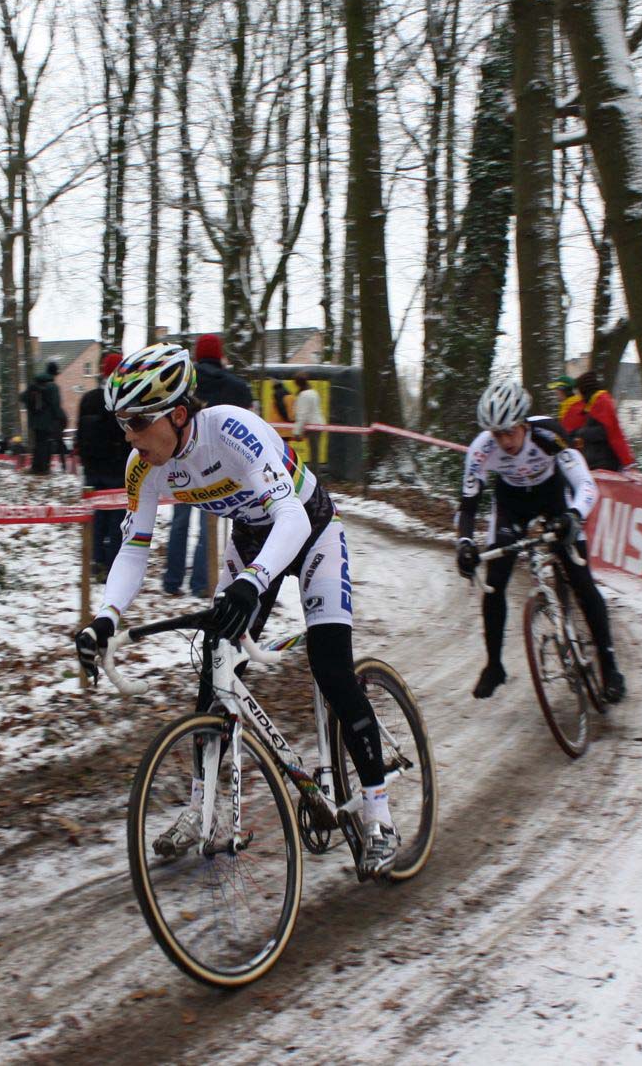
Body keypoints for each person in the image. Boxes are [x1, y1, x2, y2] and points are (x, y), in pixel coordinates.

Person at [75, 342, 400, 877]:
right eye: (121, 423)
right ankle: (205, 809)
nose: (127, 436)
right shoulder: (144, 466)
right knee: (216, 671)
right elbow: (134, 550)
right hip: (251, 540)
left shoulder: (230, 429)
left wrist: (252, 583)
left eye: (136, 421)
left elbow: (291, 519)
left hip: (311, 530)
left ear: (178, 414)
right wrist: (107, 616)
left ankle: (379, 816)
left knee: (332, 668)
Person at [455, 379, 626, 705]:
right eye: (496, 433)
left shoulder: (549, 435)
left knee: (581, 580)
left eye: (509, 432)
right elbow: (468, 503)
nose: (503, 441)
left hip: (554, 499)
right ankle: (494, 666)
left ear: (523, 424)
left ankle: (610, 666)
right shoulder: (482, 448)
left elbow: (586, 485)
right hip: (511, 503)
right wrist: (464, 542)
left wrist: (574, 515)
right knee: (495, 582)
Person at [163, 334, 253, 597]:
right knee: (208, 525)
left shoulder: (183, 385)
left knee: (179, 522)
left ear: (198, 355)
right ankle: (201, 583)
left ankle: (172, 580)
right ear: (220, 354)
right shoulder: (237, 387)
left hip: (182, 463)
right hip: (220, 469)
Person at [77, 352, 130, 581]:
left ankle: (95, 561)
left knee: (95, 517)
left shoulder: (88, 398)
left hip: (91, 471)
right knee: (117, 520)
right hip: (117, 470)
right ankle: (111, 565)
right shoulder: (125, 400)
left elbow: (79, 436)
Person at [573, 370, 636, 472]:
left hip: (604, 463)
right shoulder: (593, 404)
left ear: (585, 390)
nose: (578, 396)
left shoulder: (601, 402)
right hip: (598, 461)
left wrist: (581, 432)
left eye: (579, 392)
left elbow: (606, 431)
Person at [20, 360, 68, 475]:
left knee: (38, 443)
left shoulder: (35, 383)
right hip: (47, 421)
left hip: (34, 421)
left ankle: (36, 466)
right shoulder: (52, 386)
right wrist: (62, 418)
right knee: (46, 444)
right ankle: (43, 468)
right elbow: (56, 405)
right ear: (55, 373)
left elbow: (22, 397)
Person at [292, 371, 323, 478]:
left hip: (311, 426)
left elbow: (302, 414)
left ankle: (314, 478)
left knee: (313, 455)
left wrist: (297, 432)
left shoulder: (304, 395)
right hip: (318, 425)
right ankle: (315, 476)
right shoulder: (314, 392)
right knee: (315, 454)